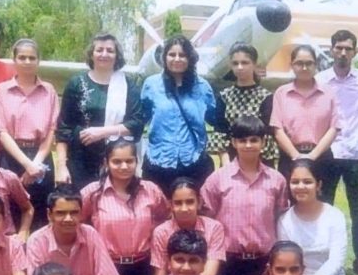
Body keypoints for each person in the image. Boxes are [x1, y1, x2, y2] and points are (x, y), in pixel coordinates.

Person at [201, 115, 289, 275]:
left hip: (263, 260)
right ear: (233, 142)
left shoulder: (277, 180)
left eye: (254, 139)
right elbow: (207, 219)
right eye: (242, 140)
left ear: (263, 142)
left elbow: (280, 215)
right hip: (228, 260)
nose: (248, 145)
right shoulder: (217, 180)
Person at [81, 137, 168, 275]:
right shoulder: (92, 193)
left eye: (129, 161)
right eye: (117, 161)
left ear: (136, 161)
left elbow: (164, 219)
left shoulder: (150, 190)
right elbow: (78, 224)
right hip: (107, 269)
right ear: (106, 162)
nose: (123, 167)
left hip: (142, 267)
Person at [315, 30, 358, 275]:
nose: (342, 52)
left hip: (357, 152)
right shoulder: (320, 80)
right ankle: (322, 259)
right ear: (331, 50)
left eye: (348, 48)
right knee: (323, 207)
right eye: (338, 47)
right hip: (329, 152)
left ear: (354, 52)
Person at [56, 33, 144, 189]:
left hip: (118, 162)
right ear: (92, 54)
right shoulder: (76, 84)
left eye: (110, 50)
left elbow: (136, 124)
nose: (104, 54)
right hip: (80, 161)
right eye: (99, 50)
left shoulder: (128, 85)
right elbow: (64, 129)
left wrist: (102, 132)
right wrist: (61, 167)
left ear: (117, 56)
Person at [0, 38, 59, 228]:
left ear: (38, 60)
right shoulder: (2, 91)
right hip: (11, 157)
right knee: (10, 209)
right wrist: (27, 165)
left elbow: (51, 130)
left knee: (40, 212)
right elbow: (1, 131)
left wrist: (35, 165)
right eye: (22, 57)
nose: (27, 62)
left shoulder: (49, 91)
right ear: (14, 60)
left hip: (41, 158)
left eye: (32, 58)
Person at [141, 34, 216, 195]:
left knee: (192, 211)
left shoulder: (203, 87)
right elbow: (142, 118)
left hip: (194, 161)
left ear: (190, 58)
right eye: (171, 54)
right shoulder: (151, 85)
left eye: (182, 55)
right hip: (159, 160)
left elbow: (215, 119)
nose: (177, 59)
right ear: (164, 57)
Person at [277, 159, 348, 275]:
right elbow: (286, 259)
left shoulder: (334, 216)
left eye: (307, 182)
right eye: (295, 182)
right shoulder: (284, 220)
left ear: (319, 185)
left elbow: (336, 260)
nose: (301, 187)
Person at [270, 44, 341, 195]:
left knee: (323, 204)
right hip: (290, 158)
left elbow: (334, 127)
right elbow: (277, 129)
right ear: (292, 65)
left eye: (309, 63)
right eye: (299, 63)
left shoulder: (328, 93)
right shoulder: (281, 93)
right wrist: (296, 156)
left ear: (316, 65)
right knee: (290, 204)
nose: (304, 68)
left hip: (322, 157)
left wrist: (312, 156)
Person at [215, 42, 278, 167]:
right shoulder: (224, 96)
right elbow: (220, 131)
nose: (240, 67)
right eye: (235, 63)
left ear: (254, 64)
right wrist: (227, 165)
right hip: (231, 159)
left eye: (245, 63)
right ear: (230, 65)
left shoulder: (265, 97)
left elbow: (266, 133)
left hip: (260, 160)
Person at [151, 177, 225, 275]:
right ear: (170, 205)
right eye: (178, 203)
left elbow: (209, 274)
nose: (184, 208)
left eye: (190, 202)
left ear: (199, 202)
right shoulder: (161, 232)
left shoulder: (214, 228)